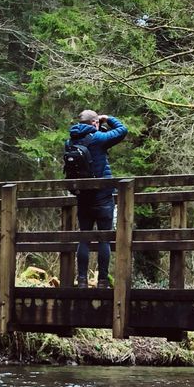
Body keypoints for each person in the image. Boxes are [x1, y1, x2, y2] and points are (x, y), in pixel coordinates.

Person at [67, 110, 128, 286]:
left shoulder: (70, 142)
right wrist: (108, 118)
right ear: (94, 123)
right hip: (102, 197)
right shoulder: (99, 139)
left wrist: (97, 125)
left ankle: (82, 280)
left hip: (83, 197)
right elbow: (122, 130)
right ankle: (102, 280)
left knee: (84, 238)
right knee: (104, 239)